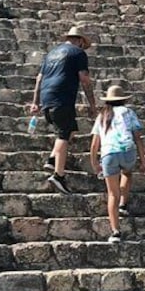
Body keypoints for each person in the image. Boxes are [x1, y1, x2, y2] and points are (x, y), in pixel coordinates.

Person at [30, 26, 97, 194]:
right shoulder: (78, 53)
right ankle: (58, 175)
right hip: (62, 98)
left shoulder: (51, 54)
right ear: (80, 41)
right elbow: (84, 80)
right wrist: (92, 105)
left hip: (47, 98)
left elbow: (39, 79)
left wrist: (35, 102)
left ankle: (53, 159)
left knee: (70, 129)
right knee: (64, 134)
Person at [89, 85, 145, 243]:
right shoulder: (129, 112)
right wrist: (143, 161)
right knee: (127, 173)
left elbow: (95, 144)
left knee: (112, 194)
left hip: (109, 154)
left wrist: (94, 162)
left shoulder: (102, 115)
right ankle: (123, 204)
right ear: (123, 100)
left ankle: (115, 231)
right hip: (128, 151)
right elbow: (138, 138)